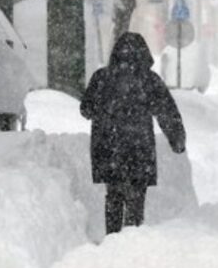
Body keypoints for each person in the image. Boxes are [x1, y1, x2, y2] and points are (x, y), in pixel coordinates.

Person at [80, 32, 186, 236]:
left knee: (113, 195)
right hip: (139, 149)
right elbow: (166, 111)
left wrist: (106, 111)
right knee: (136, 197)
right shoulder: (149, 80)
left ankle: (112, 237)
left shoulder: (101, 78)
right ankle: (132, 237)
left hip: (108, 148)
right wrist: (177, 139)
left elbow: (86, 110)